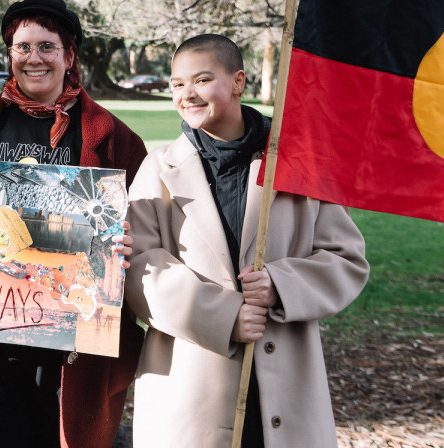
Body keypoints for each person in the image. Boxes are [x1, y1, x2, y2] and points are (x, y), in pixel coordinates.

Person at [124, 34, 369, 448]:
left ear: (238, 81)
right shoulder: (158, 168)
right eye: (177, 84)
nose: (188, 94)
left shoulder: (298, 164)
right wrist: (222, 316)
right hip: (191, 385)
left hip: (285, 384)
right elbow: (138, 266)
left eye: (202, 80)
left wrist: (281, 285)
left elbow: (347, 260)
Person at [0, 0, 147, 448]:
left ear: (69, 56)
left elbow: (145, 232)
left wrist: (131, 244)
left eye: (47, 47)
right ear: (10, 55)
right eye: (23, 47)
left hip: (69, 335)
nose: (35, 58)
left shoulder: (113, 139)